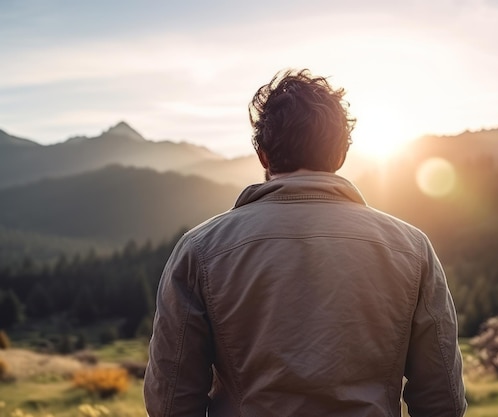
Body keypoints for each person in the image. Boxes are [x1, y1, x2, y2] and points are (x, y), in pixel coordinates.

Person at [144, 69, 467, 417]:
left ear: (263, 155)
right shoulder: (412, 249)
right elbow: (442, 401)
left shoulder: (201, 250)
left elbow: (170, 402)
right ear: (340, 154)